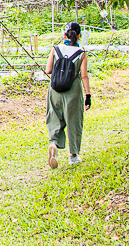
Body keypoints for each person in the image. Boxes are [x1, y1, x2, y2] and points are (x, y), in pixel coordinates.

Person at [44, 21, 91, 168]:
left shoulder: (55, 49)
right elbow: (84, 76)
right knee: (74, 121)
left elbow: (48, 70)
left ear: (64, 35)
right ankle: (73, 155)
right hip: (73, 91)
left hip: (55, 90)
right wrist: (88, 95)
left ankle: (54, 145)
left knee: (55, 119)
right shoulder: (81, 54)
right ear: (79, 36)